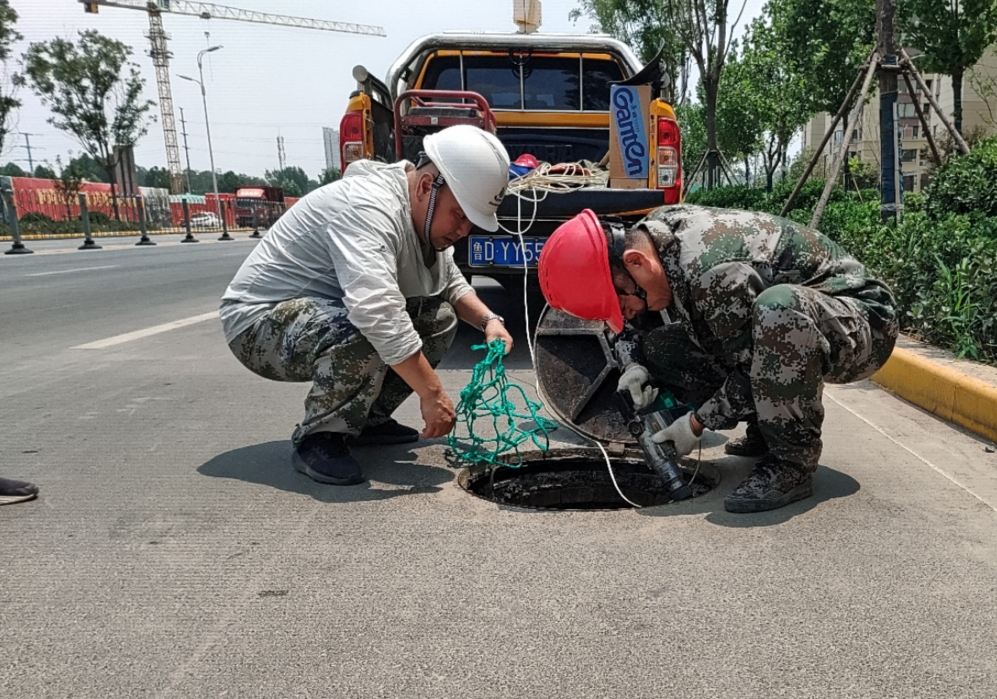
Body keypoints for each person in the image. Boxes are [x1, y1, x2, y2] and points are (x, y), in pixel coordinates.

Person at [538, 205, 898, 513]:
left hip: (862, 325)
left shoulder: (713, 271)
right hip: (791, 322)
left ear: (636, 262)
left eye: (624, 305)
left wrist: (695, 424)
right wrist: (634, 364)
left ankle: (793, 462)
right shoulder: (649, 239)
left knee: (777, 311)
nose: (628, 315)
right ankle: (767, 427)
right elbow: (652, 323)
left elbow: (752, 366)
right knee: (662, 348)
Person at [221, 125, 514, 486]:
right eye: (460, 215)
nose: (465, 230)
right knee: (368, 325)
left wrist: (489, 320)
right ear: (426, 186)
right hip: (257, 323)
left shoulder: (419, 214)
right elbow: (376, 311)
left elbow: (449, 280)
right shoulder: (367, 207)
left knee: (438, 318)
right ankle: (320, 437)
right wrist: (432, 394)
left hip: (320, 315)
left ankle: (365, 419)